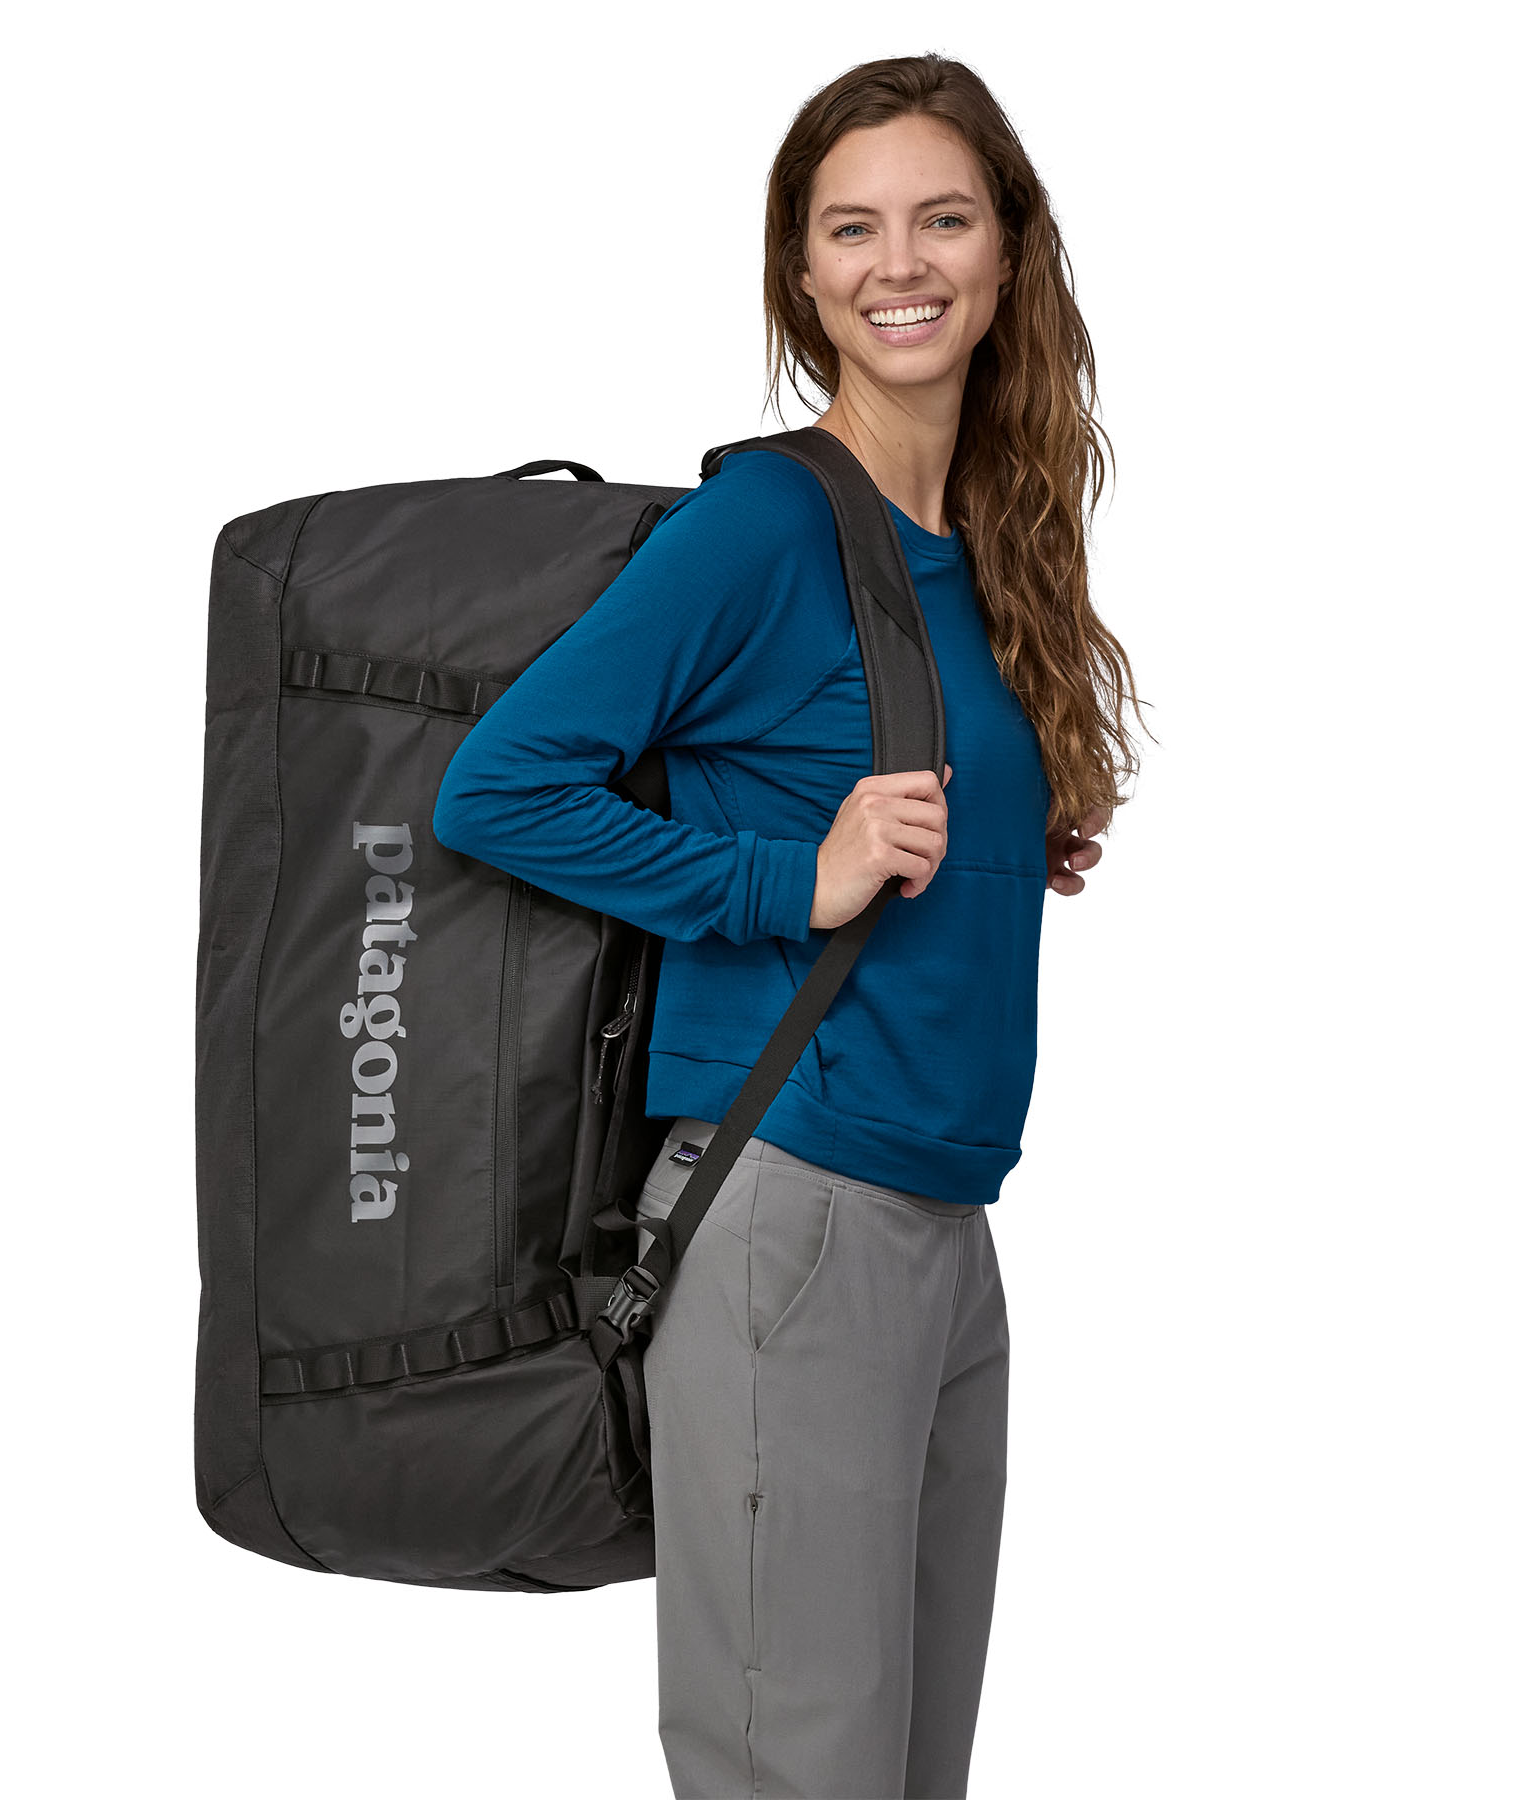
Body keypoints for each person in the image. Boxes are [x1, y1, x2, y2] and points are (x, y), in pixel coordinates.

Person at [430, 51, 1143, 1800]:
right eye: (852, 229)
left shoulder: (984, 543)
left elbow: (855, 779)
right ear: (802, 275)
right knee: (794, 1775)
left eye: (943, 219)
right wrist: (785, 881)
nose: (901, 263)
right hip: (793, 1209)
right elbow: (498, 787)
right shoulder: (766, 521)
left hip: (944, 1221)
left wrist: (1010, 838)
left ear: (1009, 251)